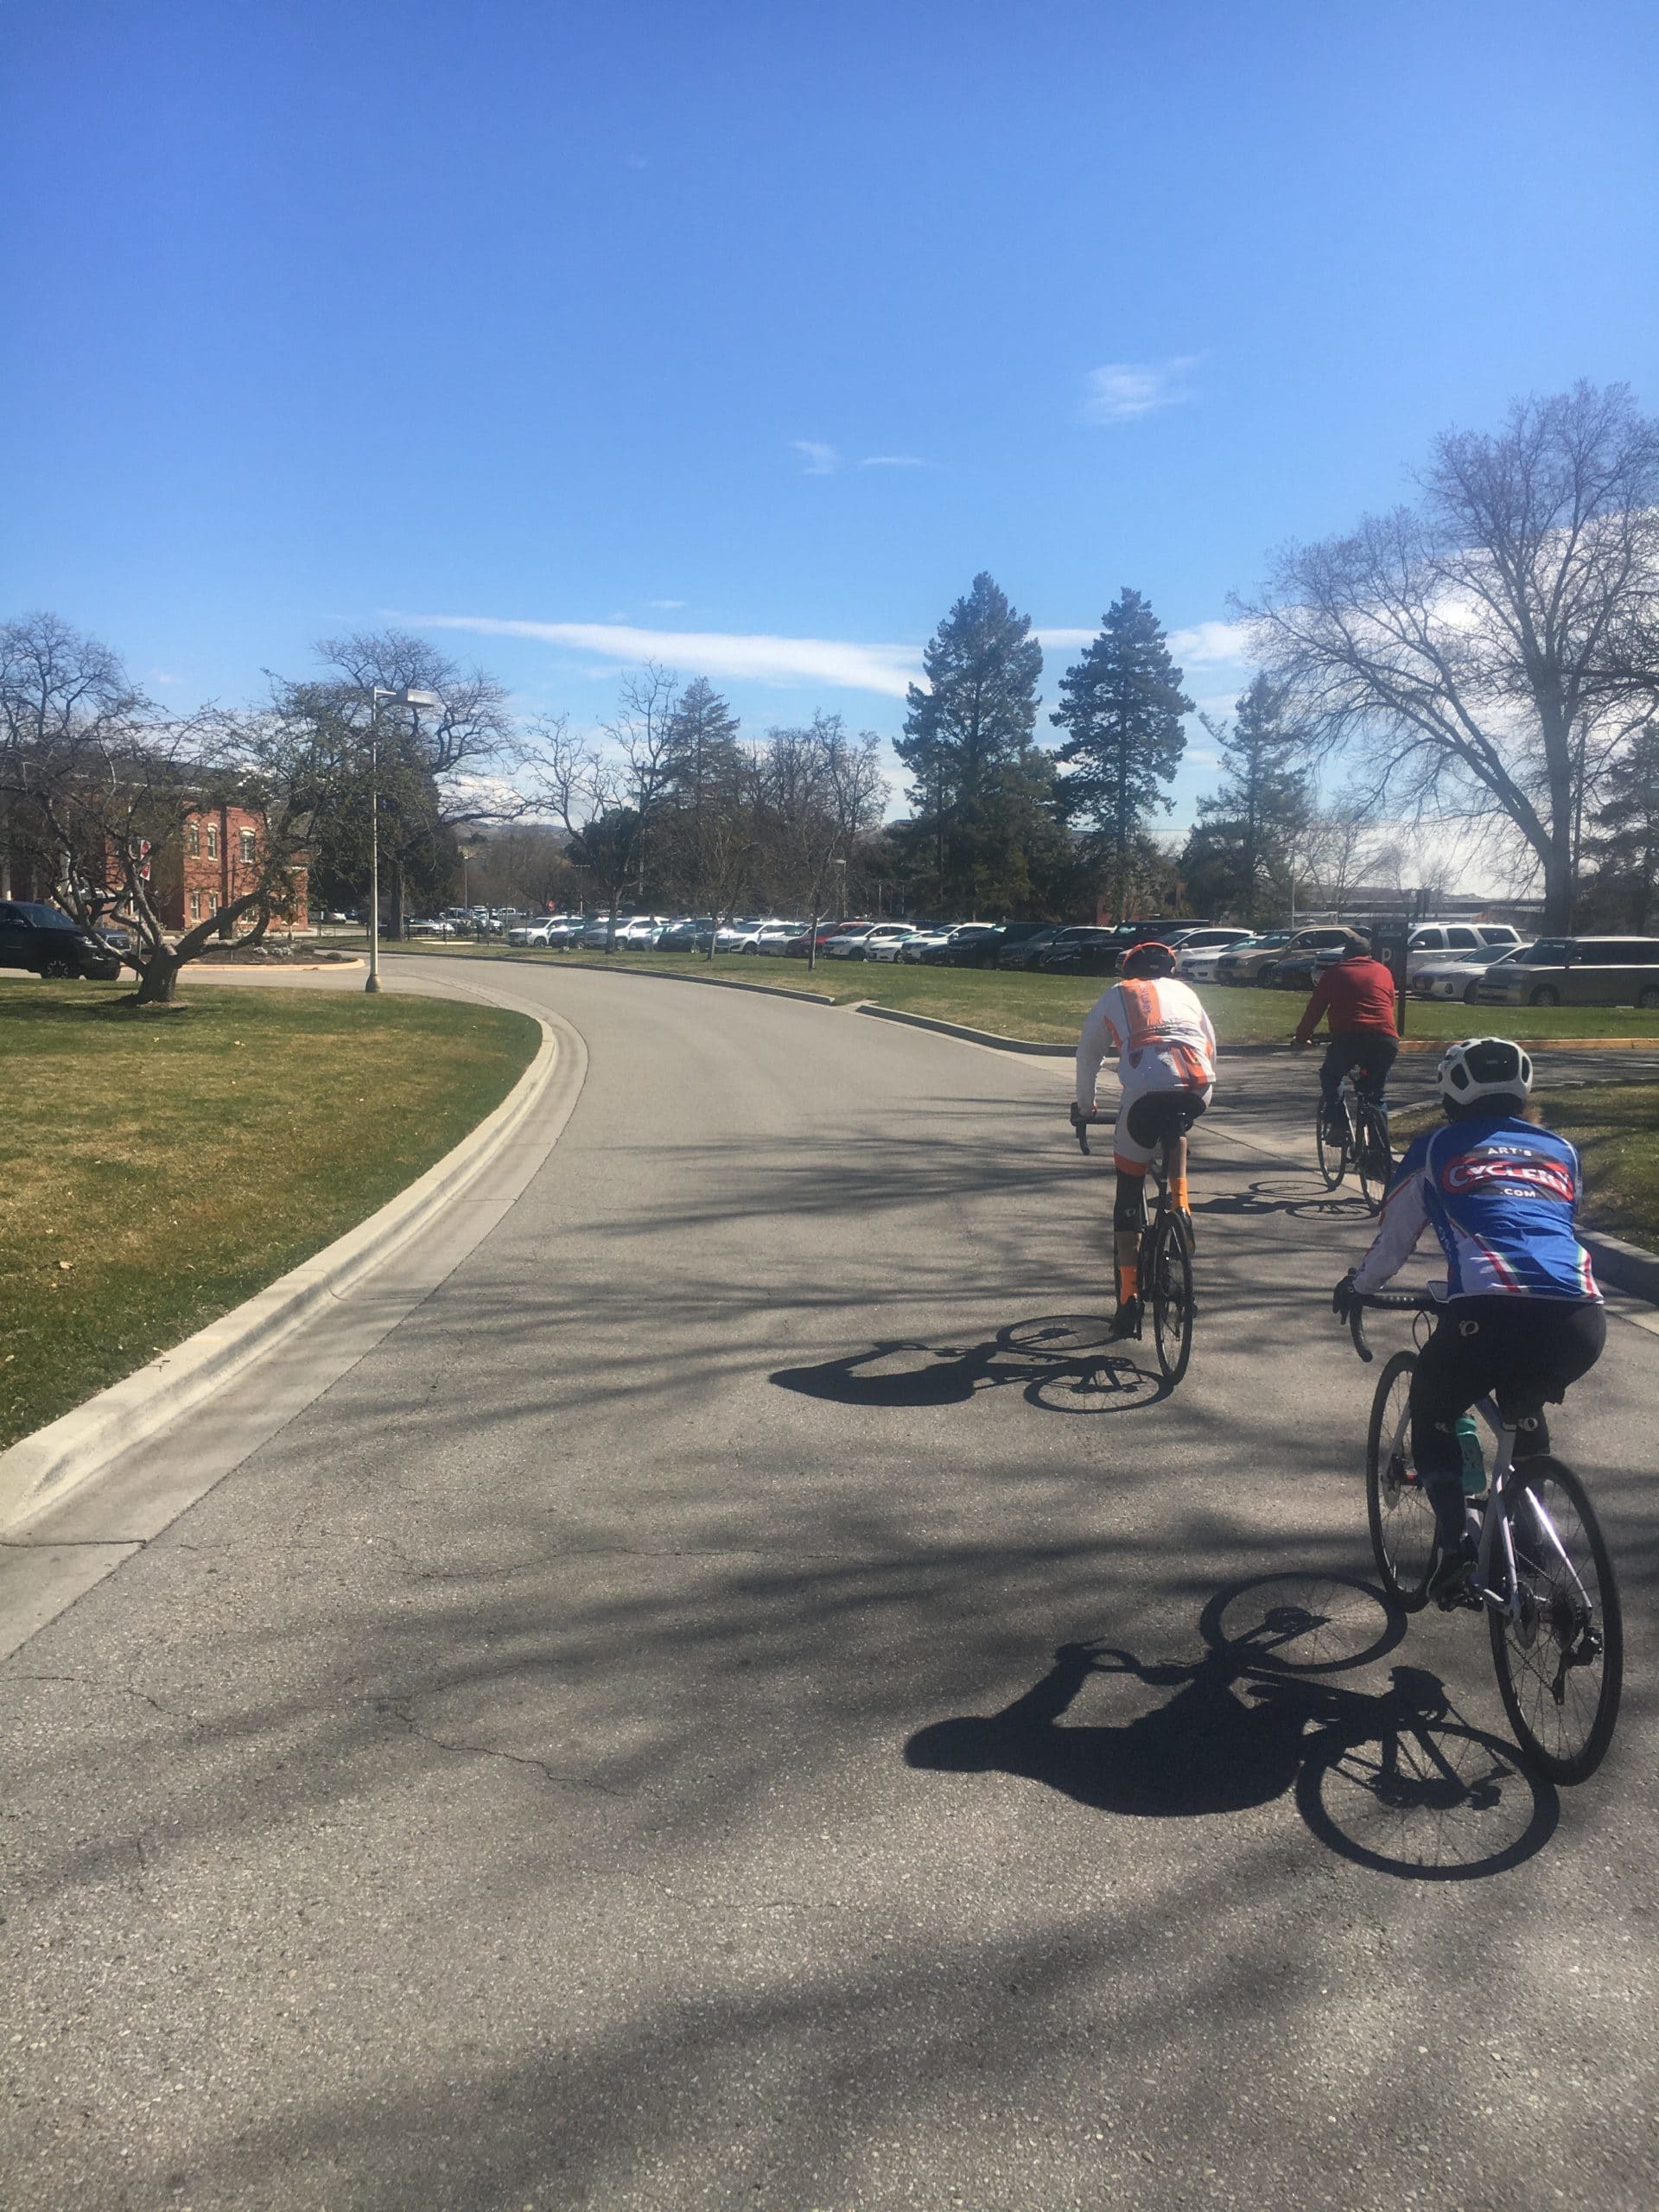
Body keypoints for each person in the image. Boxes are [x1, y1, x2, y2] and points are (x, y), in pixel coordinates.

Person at [1332, 1036, 1605, 1604]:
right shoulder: (1562, 1150)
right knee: (1521, 1407)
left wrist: (1358, 1287)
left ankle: (1454, 1552)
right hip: (1581, 1314)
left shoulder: (1435, 1147)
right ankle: (1531, 1547)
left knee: (1434, 1409)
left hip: (1488, 1306)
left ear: (1451, 1092)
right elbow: (1547, 1227)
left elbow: (1395, 1241)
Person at [1073, 941, 1217, 1339]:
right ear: (1169, 971)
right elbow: (1211, 1046)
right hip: (1198, 1083)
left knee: (1129, 1184)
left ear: (1128, 971)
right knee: (1177, 1132)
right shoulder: (1188, 993)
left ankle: (1129, 1298)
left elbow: (1088, 1056)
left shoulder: (1117, 994)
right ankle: (1181, 1202)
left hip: (1146, 1090)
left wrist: (1086, 1108)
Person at [1290, 937, 1400, 1141]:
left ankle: (1339, 1125)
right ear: (1369, 955)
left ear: (1345, 955)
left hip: (1349, 1038)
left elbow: (1315, 1009)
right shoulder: (1384, 971)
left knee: (1331, 1075)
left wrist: (1302, 1037)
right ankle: (1379, 1156)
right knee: (1376, 1094)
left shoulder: (1334, 973)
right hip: (1385, 1039)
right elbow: (1389, 1003)